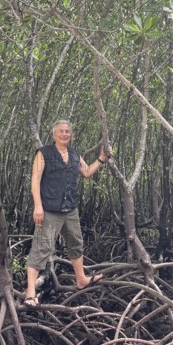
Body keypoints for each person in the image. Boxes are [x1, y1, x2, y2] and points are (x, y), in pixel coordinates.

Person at [24, 120, 107, 306]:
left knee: (76, 242)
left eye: (67, 131)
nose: (64, 134)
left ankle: (81, 279)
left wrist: (101, 158)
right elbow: (35, 181)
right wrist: (38, 206)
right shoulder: (43, 153)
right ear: (54, 135)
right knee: (41, 248)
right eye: (60, 131)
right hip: (49, 210)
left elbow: (86, 172)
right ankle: (30, 292)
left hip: (70, 209)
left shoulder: (75, 155)